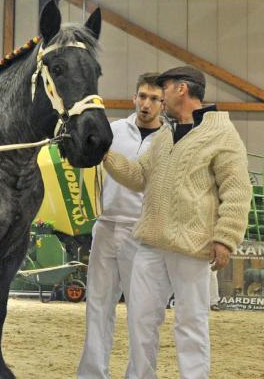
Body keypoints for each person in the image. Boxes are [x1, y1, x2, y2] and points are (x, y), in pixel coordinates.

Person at [103, 65, 251, 379]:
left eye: (164, 89)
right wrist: (105, 153)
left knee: (191, 323)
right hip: (151, 242)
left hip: (192, 246)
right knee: (140, 320)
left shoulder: (222, 133)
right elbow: (139, 175)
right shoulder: (164, 134)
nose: (160, 96)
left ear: (181, 89)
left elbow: (237, 190)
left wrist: (225, 238)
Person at [77, 73, 163, 378]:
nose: (146, 104)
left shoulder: (168, 141)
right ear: (134, 98)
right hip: (105, 227)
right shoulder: (112, 132)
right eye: (142, 96)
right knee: (97, 307)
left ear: (163, 104)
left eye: (154, 99)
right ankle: (91, 373)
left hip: (143, 235)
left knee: (143, 315)